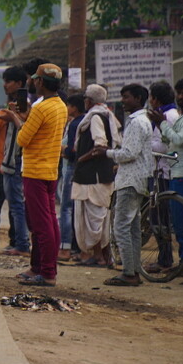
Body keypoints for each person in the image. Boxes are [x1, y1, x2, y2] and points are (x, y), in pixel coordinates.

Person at [12, 63, 68, 287]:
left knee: (41, 224)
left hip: (35, 170)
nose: (33, 82)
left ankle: (47, 271)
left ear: (41, 82)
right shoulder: (60, 105)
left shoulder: (41, 108)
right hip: (50, 169)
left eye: (35, 79)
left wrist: (17, 118)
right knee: (47, 221)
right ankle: (38, 267)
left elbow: (22, 139)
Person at [95, 84, 153, 286]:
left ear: (137, 98)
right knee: (133, 228)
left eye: (126, 97)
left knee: (121, 226)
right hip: (134, 178)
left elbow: (129, 153)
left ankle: (129, 273)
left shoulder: (138, 123)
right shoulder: (141, 120)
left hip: (130, 181)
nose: (123, 101)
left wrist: (107, 153)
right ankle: (134, 270)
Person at [147, 77, 183, 278]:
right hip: (177, 171)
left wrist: (162, 123)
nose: (181, 97)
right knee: (178, 222)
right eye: (179, 93)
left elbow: (179, 139)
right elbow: (170, 141)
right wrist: (160, 127)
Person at [71, 84, 121, 267]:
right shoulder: (107, 115)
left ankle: (99, 256)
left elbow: (100, 146)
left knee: (95, 218)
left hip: (93, 176)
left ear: (89, 101)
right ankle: (103, 256)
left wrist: (81, 159)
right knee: (99, 216)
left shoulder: (95, 118)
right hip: (99, 175)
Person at [0, 67, 30, 256]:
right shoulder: (12, 106)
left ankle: (22, 243)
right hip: (8, 160)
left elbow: (24, 129)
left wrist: (12, 116)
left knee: (16, 204)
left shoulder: (26, 107)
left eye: (9, 81)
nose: (5, 85)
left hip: (15, 161)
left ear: (20, 84)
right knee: (14, 204)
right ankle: (18, 241)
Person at [59, 94, 84, 261]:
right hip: (72, 168)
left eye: (68, 106)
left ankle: (65, 246)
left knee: (66, 207)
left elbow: (73, 149)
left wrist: (62, 149)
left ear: (74, 107)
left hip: (71, 168)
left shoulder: (76, 123)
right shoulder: (76, 121)